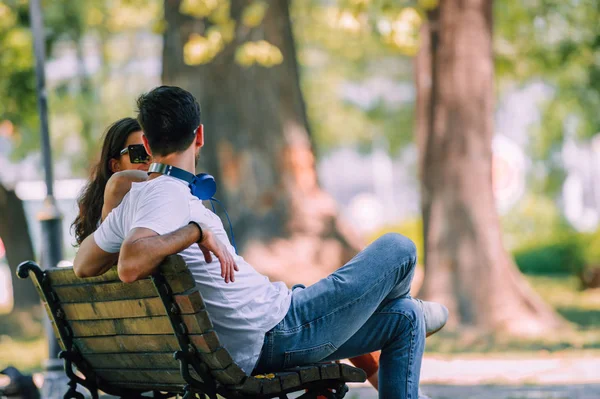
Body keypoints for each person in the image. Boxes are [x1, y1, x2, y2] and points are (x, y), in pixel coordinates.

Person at [73, 86, 448, 398]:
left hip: (267, 324)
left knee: (403, 319)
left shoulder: (138, 203)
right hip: (280, 331)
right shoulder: (166, 197)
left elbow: (82, 265)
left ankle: (405, 304)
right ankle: (402, 297)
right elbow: (130, 263)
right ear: (200, 135)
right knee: (400, 248)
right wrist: (196, 231)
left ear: (149, 143)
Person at [72, 117, 150, 246]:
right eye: (139, 153)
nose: (149, 160)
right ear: (115, 166)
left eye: (154, 152)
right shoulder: (105, 215)